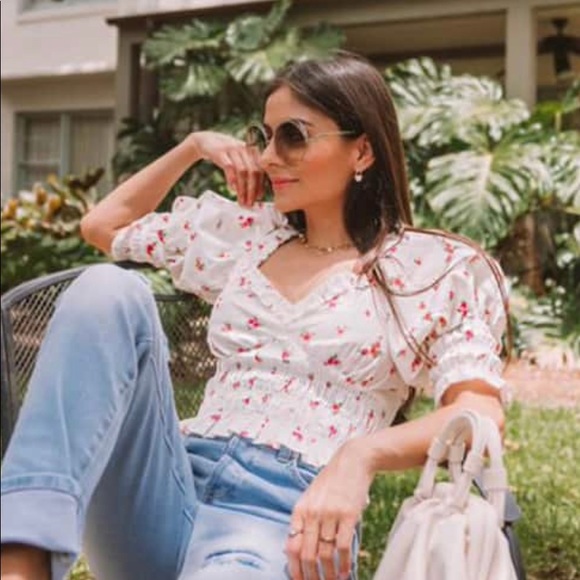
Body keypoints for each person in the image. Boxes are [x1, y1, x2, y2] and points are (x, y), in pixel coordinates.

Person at [0, 51, 510, 580]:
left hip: (285, 519)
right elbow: (102, 226)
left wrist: (360, 456)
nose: (268, 157)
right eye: (264, 136)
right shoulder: (247, 237)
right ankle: (20, 561)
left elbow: (480, 415)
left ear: (361, 150)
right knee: (108, 288)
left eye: (293, 136)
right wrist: (194, 147)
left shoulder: (430, 270)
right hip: (168, 486)